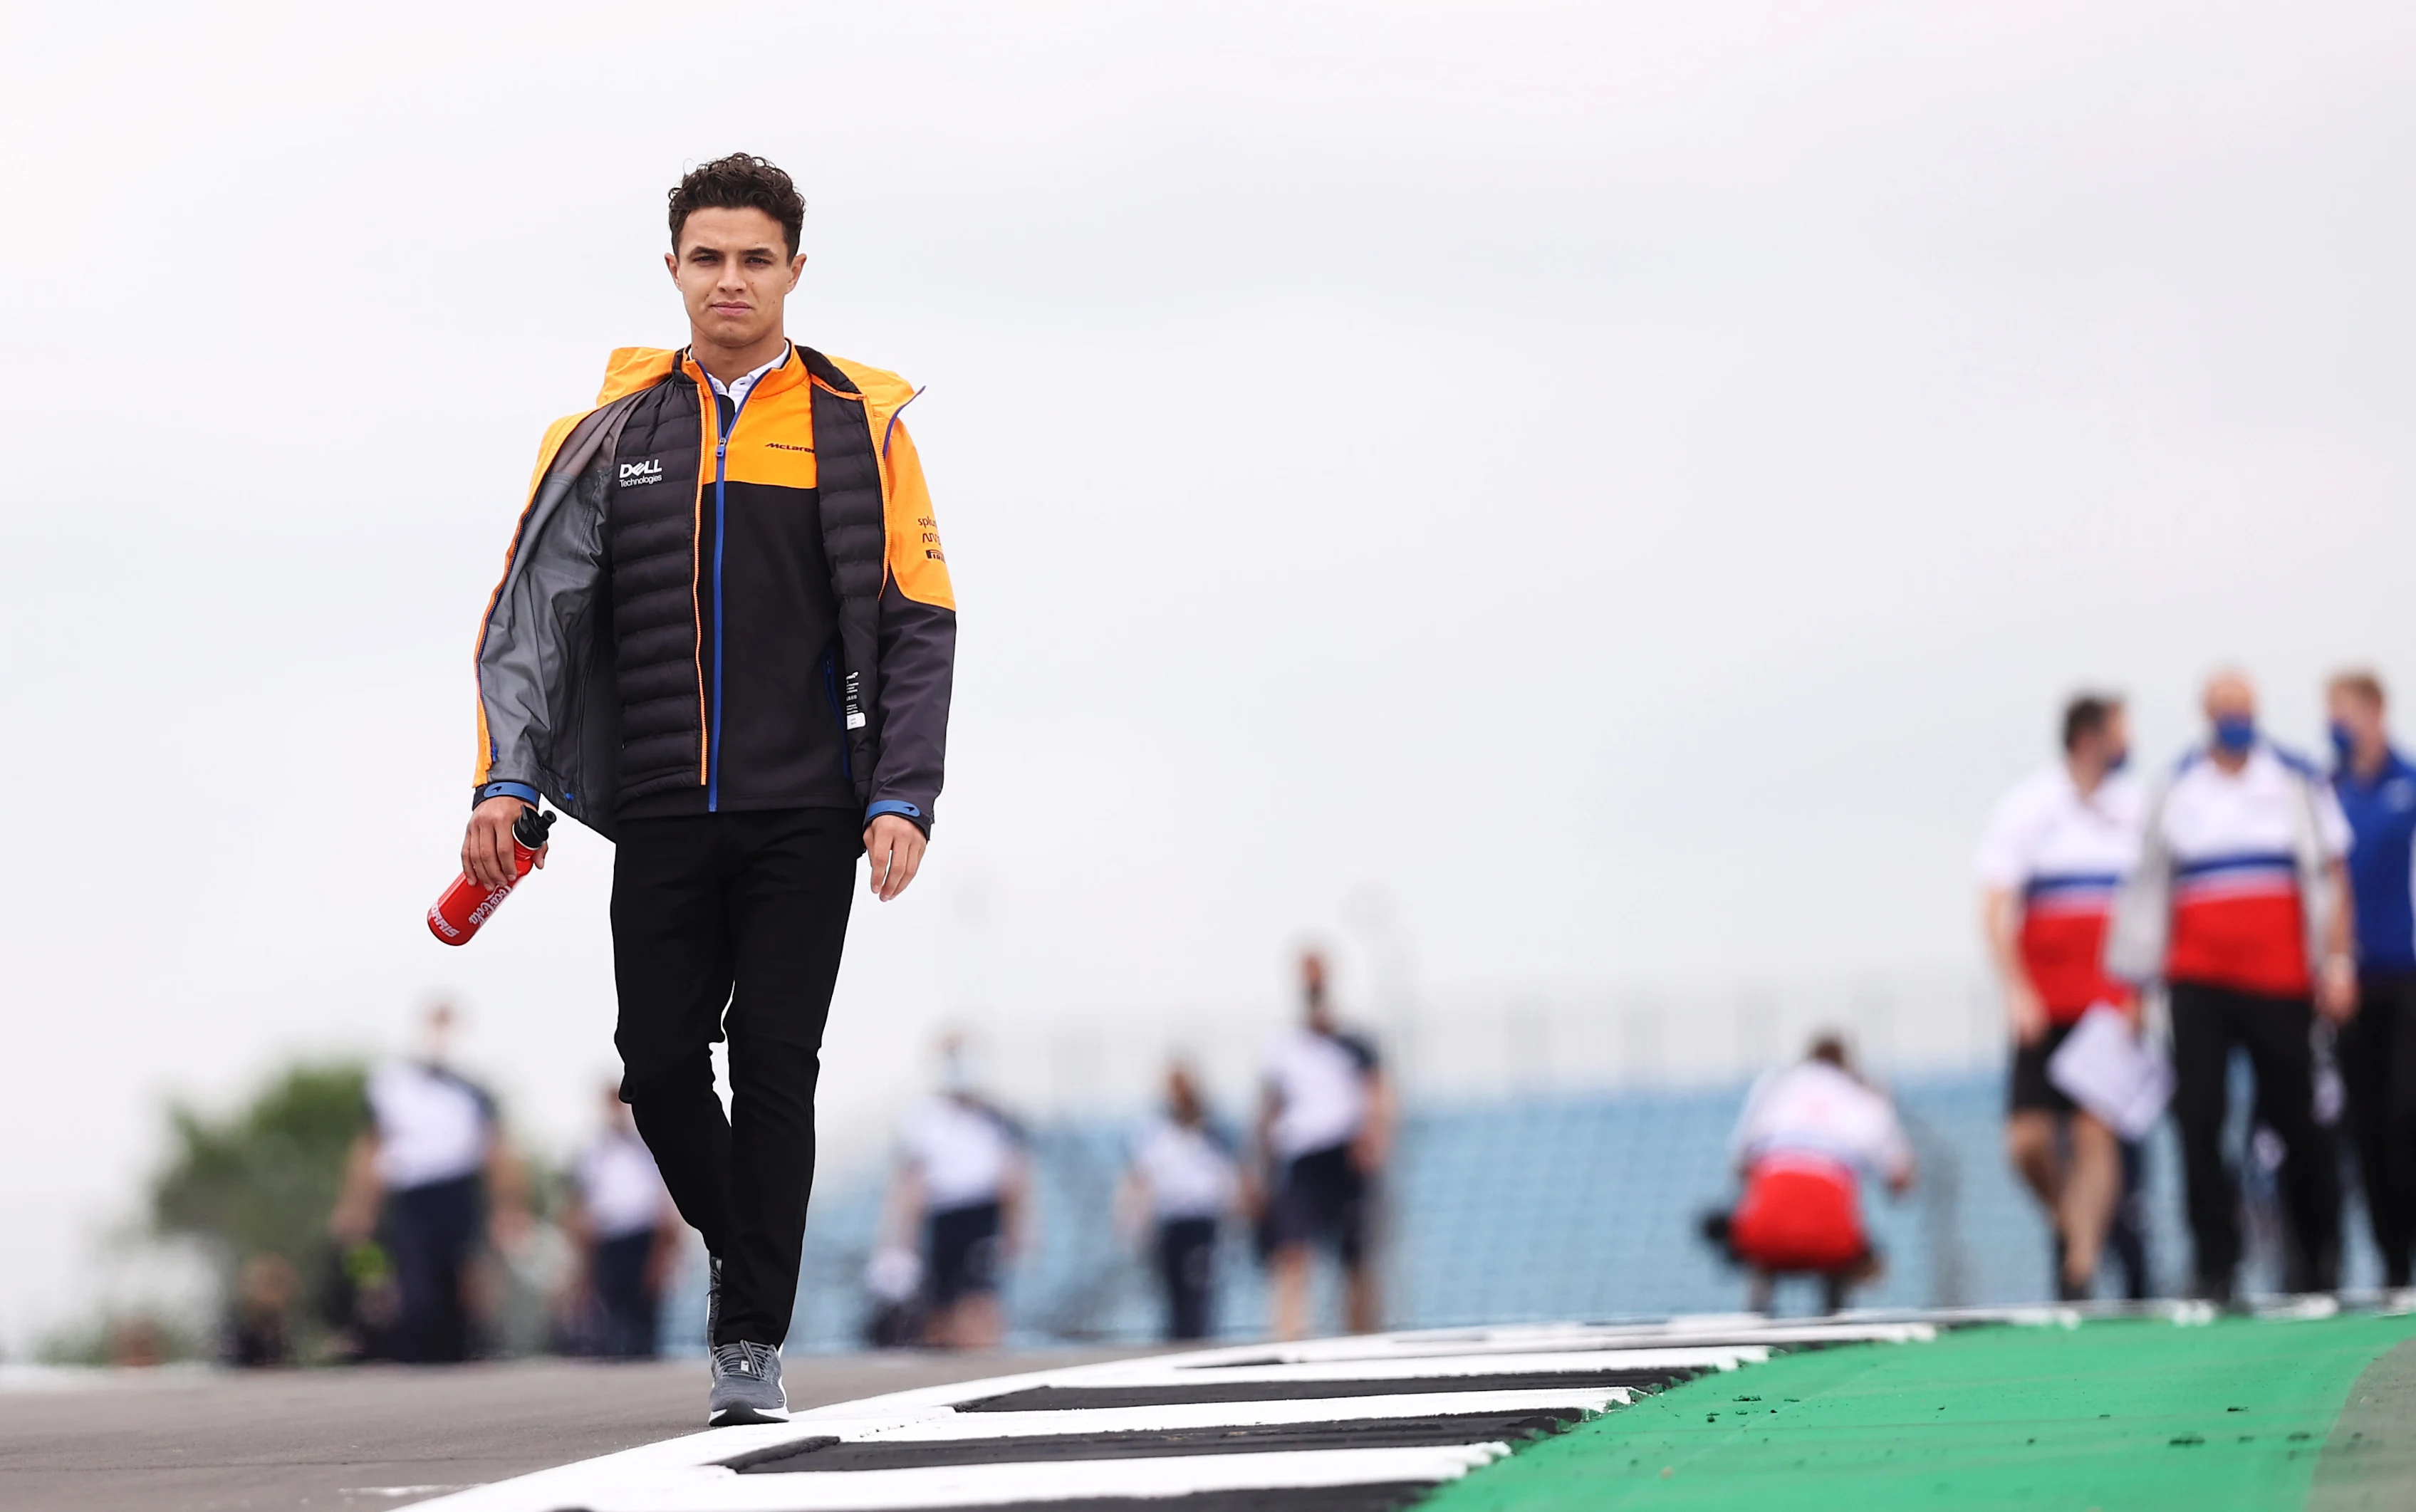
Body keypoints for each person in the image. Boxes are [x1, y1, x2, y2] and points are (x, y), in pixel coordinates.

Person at [459, 155, 954, 1423]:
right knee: (661, 1068)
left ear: (794, 269)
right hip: (665, 808)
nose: (729, 279)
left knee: (776, 1061)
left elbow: (918, 621)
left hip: (809, 809)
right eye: (707, 257)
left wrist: (901, 793)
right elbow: (535, 624)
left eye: (754, 258)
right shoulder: (609, 435)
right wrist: (504, 782)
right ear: (674, 267)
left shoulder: (862, 425)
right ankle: (754, 1251)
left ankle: (749, 1336)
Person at [2108, 669, 2357, 1299]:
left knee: (2297, 1121)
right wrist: (2135, 984)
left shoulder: (2295, 780)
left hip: (2281, 981)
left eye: (2243, 707)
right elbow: (2146, 890)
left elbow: (2331, 877)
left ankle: (2315, 1255)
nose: (2234, 719)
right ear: (2205, 713)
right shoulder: (2176, 785)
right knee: (2197, 1116)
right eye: (2224, 708)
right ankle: (2216, 1260)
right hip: (2197, 982)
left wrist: (2336, 962)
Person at [1975, 693, 2145, 1300]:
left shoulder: (2134, 810)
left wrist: (2141, 993)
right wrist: (2017, 990)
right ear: (2089, 737)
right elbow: (1994, 909)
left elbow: (2147, 912)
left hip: (2107, 1003)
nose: (2130, 744)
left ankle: (2079, 1266)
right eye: (2121, 732)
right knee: (2027, 1140)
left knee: (2099, 1136)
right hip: (2045, 1005)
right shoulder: (2029, 807)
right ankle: (2068, 1217)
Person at [328, 1005, 528, 1363]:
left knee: (463, 1291)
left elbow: (497, 1150)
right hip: (412, 1199)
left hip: (460, 1196)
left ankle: (459, 1366)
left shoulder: (473, 1090)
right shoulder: (391, 1087)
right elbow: (370, 1149)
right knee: (416, 1291)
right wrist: (358, 1207)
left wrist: (508, 1208)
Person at [1712, 1033, 1915, 1314]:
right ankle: (1834, 1320)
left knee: (1757, 1227)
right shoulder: (1866, 1097)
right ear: (1847, 1064)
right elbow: (1901, 1181)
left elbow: (1740, 1167)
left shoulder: (1775, 1087)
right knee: (1865, 1258)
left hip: (1763, 1237)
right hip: (1833, 1240)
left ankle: (1758, 1314)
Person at [2327, 669, 2416, 1288]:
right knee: (2364, 1127)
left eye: (2346, 711)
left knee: (2406, 1115)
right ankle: (2391, 1263)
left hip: (2407, 977)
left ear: (2376, 711)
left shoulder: (2408, 786)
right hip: (2348, 985)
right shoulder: (2325, 794)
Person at [1259, 950, 1394, 1340]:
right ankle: (1289, 1339)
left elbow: (1378, 1092)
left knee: (1356, 1258)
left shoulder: (1354, 1044)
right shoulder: (1284, 1048)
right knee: (1292, 1252)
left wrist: (1376, 1135)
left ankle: (1362, 1338)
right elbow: (1270, 1107)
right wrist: (1262, 1167)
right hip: (1303, 1157)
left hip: (1346, 1154)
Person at [885, 1038, 1029, 1350]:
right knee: (941, 1298)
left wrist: (1016, 1224)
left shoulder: (995, 1117)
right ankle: (943, 1360)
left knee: (980, 1294)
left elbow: (1013, 1174)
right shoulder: (922, 1118)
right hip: (943, 1214)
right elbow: (911, 1179)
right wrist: (901, 1238)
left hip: (982, 1212)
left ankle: (988, 1356)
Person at [1119, 1063, 1241, 1341]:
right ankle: (1176, 1344)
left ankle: (1198, 1342)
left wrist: (1236, 1216)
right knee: (1172, 1292)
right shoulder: (1154, 1133)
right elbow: (1140, 1178)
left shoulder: (1213, 1133)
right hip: (1171, 1220)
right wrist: (1135, 1221)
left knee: (1198, 1291)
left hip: (1202, 1221)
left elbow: (1230, 1180)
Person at [563, 1083, 681, 1359]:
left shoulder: (648, 1150)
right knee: (612, 1315)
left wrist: (664, 1253)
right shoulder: (594, 1154)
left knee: (645, 1315)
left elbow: (666, 1203)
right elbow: (579, 1204)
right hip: (609, 1243)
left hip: (643, 1240)